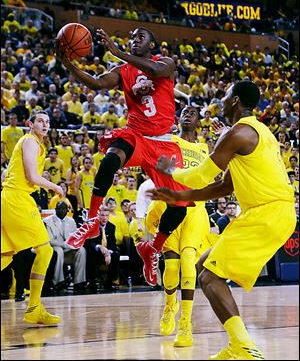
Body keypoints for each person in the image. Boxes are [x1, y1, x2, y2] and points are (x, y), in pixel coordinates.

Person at [148, 80, 296, 360]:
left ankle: (245, 347)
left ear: (235, 101)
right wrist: (180, 196)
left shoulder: (238, 133)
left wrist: (172, 172)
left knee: (209, 276)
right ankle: (236, 344)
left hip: (267, 212)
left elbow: (201, 175)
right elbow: (222, 187)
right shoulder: (259, 132)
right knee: (204, 266)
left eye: (226, 96)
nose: (222, 100)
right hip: (269, 211)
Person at [56, 27, 192, 286]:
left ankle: (152, 248)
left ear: (152, 44)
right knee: (110, 158)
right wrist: (69, 65)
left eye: (140, 37)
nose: (134, 40)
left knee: (179, 207)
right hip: (136, 135)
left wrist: (118, 52)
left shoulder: (165, 62)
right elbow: (97, 83)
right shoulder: (122, 71)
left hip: (162, 143)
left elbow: (156, 72)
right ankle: (93, 219)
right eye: (131, 37)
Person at [145, 105, 211, 347]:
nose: (188, 114)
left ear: (199, 121)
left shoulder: (206, 148)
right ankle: (169, 305)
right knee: (171, 267)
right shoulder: (169, 140)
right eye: (184, 111)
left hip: (195, 208)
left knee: (188, 263)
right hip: (170, 206)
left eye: (193, 112)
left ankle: (186, 324)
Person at [1, 109, 63, 325]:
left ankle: (34, 307)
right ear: (30, 123)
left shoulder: (35, 144)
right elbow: (32, 176)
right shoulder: (29, 141)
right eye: (40, 121)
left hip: (11, 198)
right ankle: (34, 307)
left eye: (47, 121)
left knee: (6, 255)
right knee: (45, 250)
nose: (45, 125)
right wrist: (56, 186)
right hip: (17, 199)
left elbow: (6, 174)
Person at [43, 201, 86, 294]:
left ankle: (79, 282)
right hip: (55, 250)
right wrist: (65, 244)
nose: (62, 210)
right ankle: (59, 282)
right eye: (60, 208)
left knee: (82, 250)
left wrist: (74, 244)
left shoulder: (71, 221)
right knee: (58, 250)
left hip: (68, 251)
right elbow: (50, 240)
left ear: (68, 210)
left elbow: (75, 238)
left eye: (64, 209)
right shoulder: (47, 221)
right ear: (55, 210)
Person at [84, 206, 120, 292]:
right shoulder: (92, 226)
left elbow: (112, 244)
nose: (105, 218)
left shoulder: (111, 227)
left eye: (107, 216)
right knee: (91, 254)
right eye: (102, 215)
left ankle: (110, 281)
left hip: (106, 252)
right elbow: (89, 243)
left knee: (115, 255)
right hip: (96, 251)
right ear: (98, 216)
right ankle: (93, 281)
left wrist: (108, 253)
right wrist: (99, 247)